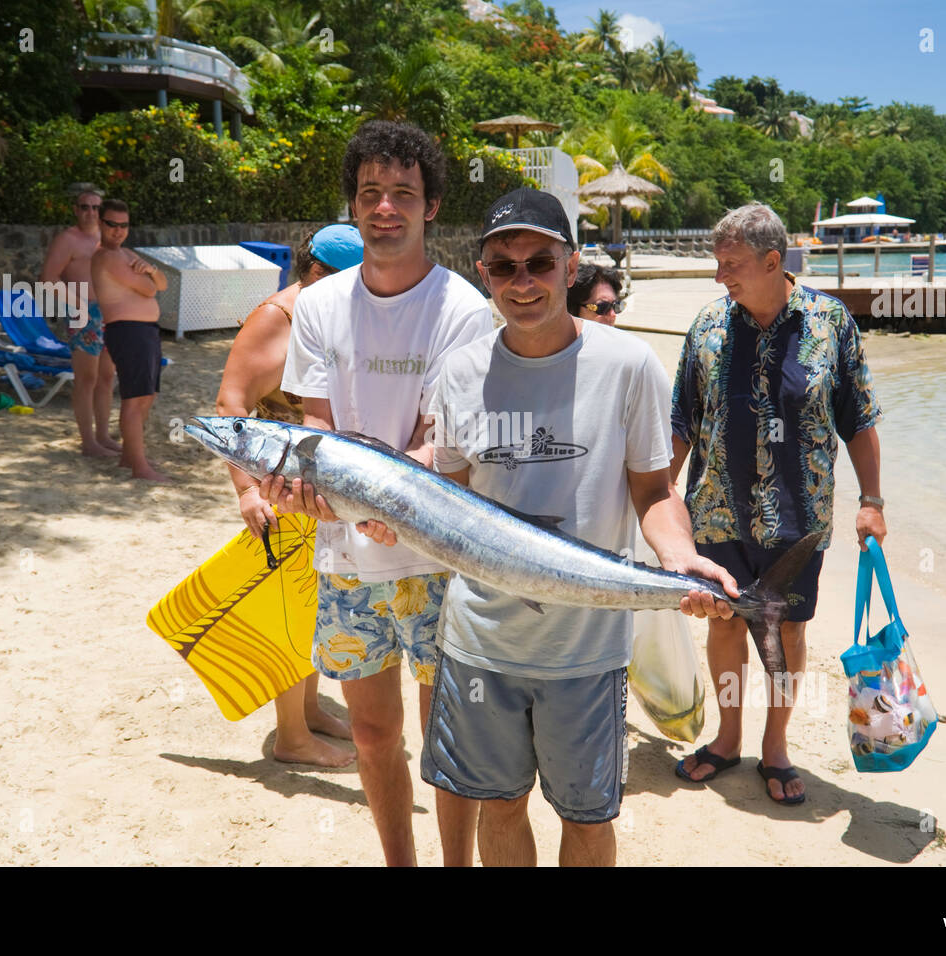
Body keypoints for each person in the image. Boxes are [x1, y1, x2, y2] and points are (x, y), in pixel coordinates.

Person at [417, 188, 739, 867]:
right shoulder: (457, 371)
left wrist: (680, 557)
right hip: (480, 644)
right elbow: (449, 497)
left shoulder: (629, 366)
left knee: (586, 818)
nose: (522, 281)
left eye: (540, 262)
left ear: (571, 267)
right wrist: (395, 521)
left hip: (587, 651)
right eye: (503, 268)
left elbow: (654, 491)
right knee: (499, 805)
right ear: (485, 275)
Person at [259, 121, 493, 866]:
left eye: (402, 193)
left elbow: (444, 439)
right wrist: (311, 492)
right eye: (370, 193)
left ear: (431, 207)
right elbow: (315, 429)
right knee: (370, 734)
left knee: (447, 739)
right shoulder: (321, 307)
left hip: (436, 557)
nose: (385, 207)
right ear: (353, 208)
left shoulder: (461, 308)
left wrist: (392, 501)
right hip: (347, 558)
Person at [670, 202, 885, 805]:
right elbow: (681, 422)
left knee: (788, 630)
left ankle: (776, 746)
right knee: (725, 624)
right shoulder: (708, 327)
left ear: (773, 261)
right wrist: (655, 500)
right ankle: (727, 737)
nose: (720, 278)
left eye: (731, 265)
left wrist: (873, 501)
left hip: (799, 520)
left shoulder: (831, 323)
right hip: (717, 508)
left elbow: (859, 420)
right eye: (717, 265)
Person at [215, 224, 364, 768]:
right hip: (279, 485)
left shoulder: (324, 313)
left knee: (314, 604)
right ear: (318, 274)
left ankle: (308, 712)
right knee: (292, 606)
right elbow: (230, 406)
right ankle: (291, 738)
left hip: (314, 483)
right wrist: (246, 491)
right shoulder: (277, 318)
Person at [90, 199, 170, 483]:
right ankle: (140, 467)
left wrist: (150, 272)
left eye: (123, 225)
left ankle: (129, 456)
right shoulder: (107, 256)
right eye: (112, 224)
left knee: (146, 396)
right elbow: (150, 290)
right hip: (128, 330)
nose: (118, 231)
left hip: (143, 331)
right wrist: (149, 275)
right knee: (135, 400)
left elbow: (162, 283)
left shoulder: (126, 254)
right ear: (101, 223)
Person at [40, 185, 119, 457]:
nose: (90, 212)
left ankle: (103, 436)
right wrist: (79, 305)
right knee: (87, 378)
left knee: (107, 377)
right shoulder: (68, 239)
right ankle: (88, 443)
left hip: (109, 312)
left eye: (96, 207)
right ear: (76, 210)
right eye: (85, 207)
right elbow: (48, 279)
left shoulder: (106, 236)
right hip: (82, 314)